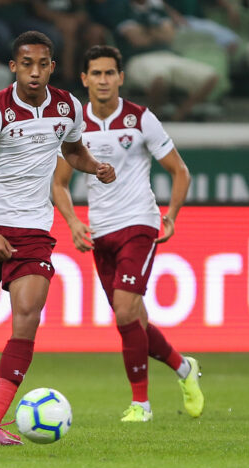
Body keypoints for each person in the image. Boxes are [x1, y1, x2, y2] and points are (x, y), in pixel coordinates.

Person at [0, 31, 115, 444]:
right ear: (13, 67)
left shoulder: (68, 107)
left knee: (27, 315)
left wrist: (94, 166)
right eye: (27, 64)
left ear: (52, 67)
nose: (35, 72)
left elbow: (73, 152)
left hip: (33, 231)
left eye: (43, 64)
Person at [52, 45, 203, 422]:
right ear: (84, 80)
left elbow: (180, 171)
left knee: (124, 314)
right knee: (134, 319)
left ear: (120, 77)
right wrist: (73, 221)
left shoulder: (141, 119)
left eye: (110, 73)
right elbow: (58, 184)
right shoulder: (75, 124)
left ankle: (141, 405)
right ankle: (185, 369)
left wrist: (171, 216)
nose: (103, 80)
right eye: (96, 74)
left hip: (138, 223)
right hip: (100, 233)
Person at [113, 0, 220, 121]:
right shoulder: (121, 8)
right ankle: (153, 119)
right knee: (159, 78)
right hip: (139, 58)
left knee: (210, 76)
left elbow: (169, 36)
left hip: (168, 55)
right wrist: (157, 32)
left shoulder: (157, 8)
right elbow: (138, 40)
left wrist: (145, 31)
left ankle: (179, 115)